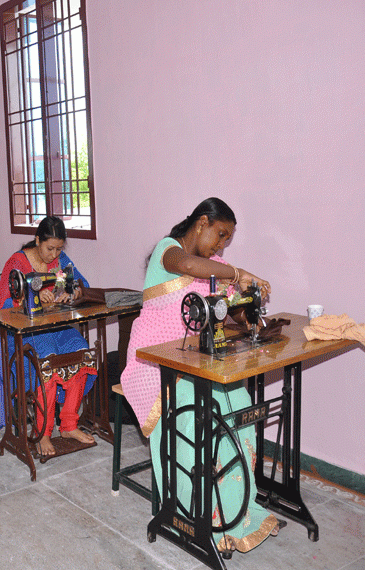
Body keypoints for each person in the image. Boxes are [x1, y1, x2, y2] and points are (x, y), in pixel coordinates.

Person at [120, 197, 278, 554]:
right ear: (202, 222)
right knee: (196, 419)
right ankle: (193, 512)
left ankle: (232, 510)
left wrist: (248, 304)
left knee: (238, 404)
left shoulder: (216, 267)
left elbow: (231, 314)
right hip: (154, 362)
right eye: (220, 235)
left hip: (197, 359)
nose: (221, 246)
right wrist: (238, 273)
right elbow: (190, 265)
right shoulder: (169, 251)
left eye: (227, 240)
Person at [0, 216, 96, 456]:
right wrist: (31, 297)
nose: (54, 255)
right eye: (50, 248)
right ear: (37, 240)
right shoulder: (17, 262)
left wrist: (73, 291)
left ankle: (69, 425)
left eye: (59, 248)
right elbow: (2, 305)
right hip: (23, 333)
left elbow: (83, 283)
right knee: (47, 359)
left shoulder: (61, 261)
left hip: (55, 327)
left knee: (81, 352)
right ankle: (43, 431)